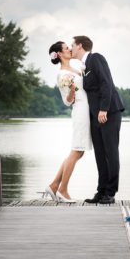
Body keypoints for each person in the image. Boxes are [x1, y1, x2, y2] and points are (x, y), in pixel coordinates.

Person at [70, 35, 124, 204]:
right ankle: (101, 191)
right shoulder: (84, 67)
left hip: (108, 112)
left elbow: (106, 83)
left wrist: (104, 109)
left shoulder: (96, 58)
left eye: (72, 45)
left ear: (80, 46)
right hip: (95, 116)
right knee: (100, 155)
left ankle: (111, 192)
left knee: (110, 152)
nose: (71, 48)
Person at [43, 40, 91, 202]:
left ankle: (54, 185)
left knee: (79, 151)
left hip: (86, 110)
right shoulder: (62, 75)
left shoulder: (76, 68)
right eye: (66, 48)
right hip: (80, 111)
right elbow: (67, 101)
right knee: (77, 150)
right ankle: (62, 189)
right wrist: (71, 90)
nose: (70, 49)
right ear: (60, 54)